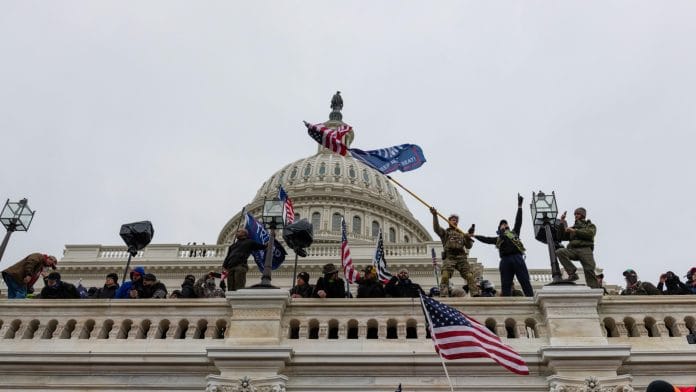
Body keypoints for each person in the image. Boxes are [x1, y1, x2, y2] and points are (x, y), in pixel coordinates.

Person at [473, 194, 534, 297]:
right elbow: (486, 239)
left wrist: (519, 207)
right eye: (503, 224)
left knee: (524, 280)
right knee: (506, 284)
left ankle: (531, 298)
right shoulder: (498, 239)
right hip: (505, 260)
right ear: (499, 228)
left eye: (506, 224)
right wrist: (474, 236)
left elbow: (518, 221)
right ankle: (507, 302)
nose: (505, 224)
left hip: (517, 257)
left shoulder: (514, 233)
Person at [430, 207, 477, 297]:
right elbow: (436, 229)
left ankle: (475, 294)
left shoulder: (462, 234)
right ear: (449, 221)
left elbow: (469, 246)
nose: (454, 221)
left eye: (456, 220)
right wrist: (435, 216)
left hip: (461, 257)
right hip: (449, 257)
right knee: (445, 276)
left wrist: (468, 237)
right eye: (452, 220)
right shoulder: (446, 233)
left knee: (469, 276)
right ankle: (443, 294)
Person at [555, 207, 600, 288]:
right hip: (573, 250)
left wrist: (574, 231)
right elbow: (560, 237)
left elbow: (590, 234)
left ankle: (594, 288)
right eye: (575, 214)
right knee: (560, 252)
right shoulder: (573, 227)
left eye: (578, 214)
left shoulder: (589, 225)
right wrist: (561, 222)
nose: (576, 215)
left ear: (583, 215)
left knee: (589, 269)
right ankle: (572, 273)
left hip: (585, 250)